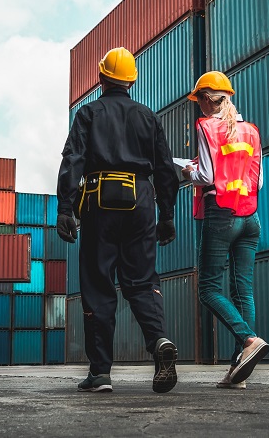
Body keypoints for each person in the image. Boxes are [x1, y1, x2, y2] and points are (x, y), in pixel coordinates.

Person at [56, 46, 180, 394]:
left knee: (98, 285)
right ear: (131, 82)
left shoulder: (88, 114)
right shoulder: (148, 117)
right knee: (141, 282)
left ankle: (100, 373)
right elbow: (166, 171)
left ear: (101, 77)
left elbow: (73, 161)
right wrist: (167, 215)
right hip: (142, 203)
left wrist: (65, 208)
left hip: (101, 201)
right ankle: (158, 342)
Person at [182, 71, 269, 389]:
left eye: (199, 100)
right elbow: (257, 182)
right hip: (250, 218)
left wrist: (188, 170)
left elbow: (206, 176)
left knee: (208, 289)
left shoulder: (208, 127)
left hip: (222, 216)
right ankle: (238, 370)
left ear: (206, 98)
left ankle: (248, 340)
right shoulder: (250, 131)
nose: (199, 107)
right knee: (242, 291)